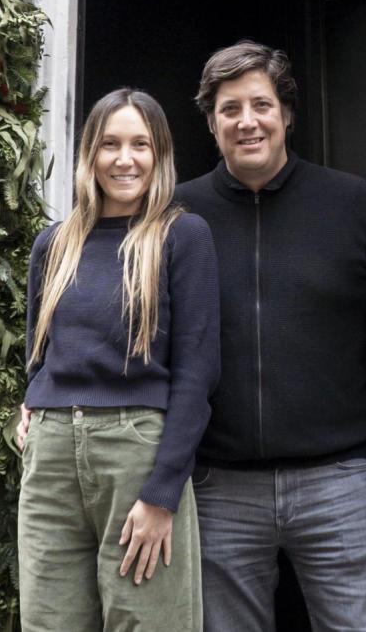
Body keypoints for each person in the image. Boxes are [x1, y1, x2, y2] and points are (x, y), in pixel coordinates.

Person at [175, 41, 366, 632]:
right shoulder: (179, 215)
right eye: (229, 108)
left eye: (260, 104)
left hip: (338, 480)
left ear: (286, 113)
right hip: (219, 486)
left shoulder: (351, 203)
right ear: (212, 124)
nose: (247, 121)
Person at [16, 88, 220, 632]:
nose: (124, 159)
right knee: (49, 621)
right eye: (110, 144)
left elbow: (197, 373)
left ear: (159, 155)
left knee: (148, 621)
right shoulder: (54, 244)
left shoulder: (181, 236)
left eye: (139, 144)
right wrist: (30, 403)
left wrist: (162, 493)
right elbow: (38, 351)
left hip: (136, 451)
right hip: (52, 455)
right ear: (90, 153)